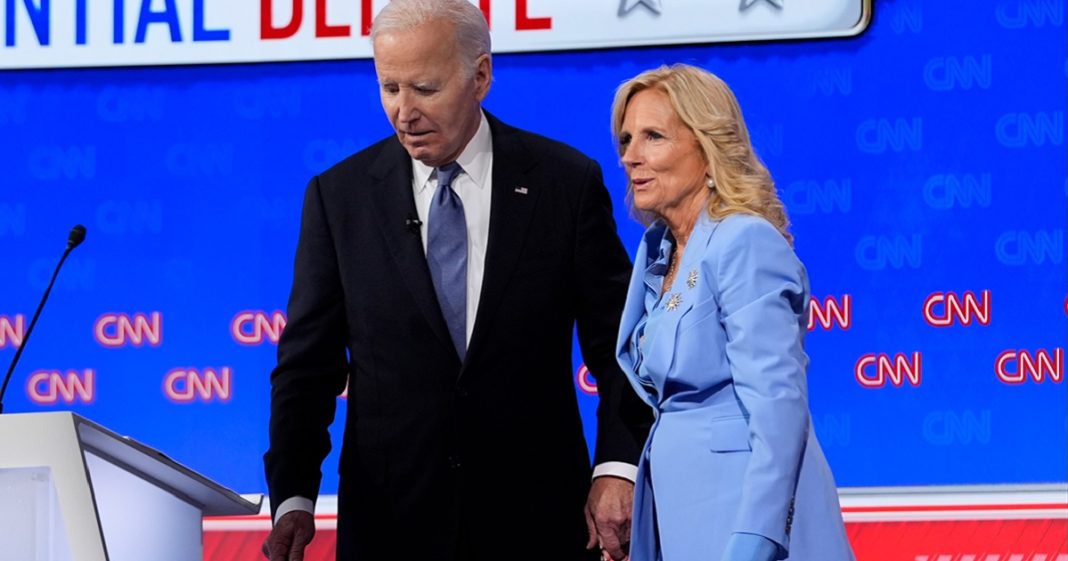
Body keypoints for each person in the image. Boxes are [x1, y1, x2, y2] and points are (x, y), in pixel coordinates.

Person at [262, 1, 650, 560]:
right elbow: (307, 367)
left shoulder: (563, 184)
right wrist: (294, 495)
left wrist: (618, 467)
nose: (404, 112)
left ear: (481, 76)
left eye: (424, 87)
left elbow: (621, 350)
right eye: (389, 87)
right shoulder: (339, 198)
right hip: (392, 528)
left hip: (537, 522)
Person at [611, 64, 855, 561]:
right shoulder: (656, 251)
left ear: (707, 147)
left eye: (653, 137)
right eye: (626, 139)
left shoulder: (744, 241)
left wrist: (758, 537)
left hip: (740, 513)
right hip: (680, 512)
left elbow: (779, 404)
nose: (631, 157)